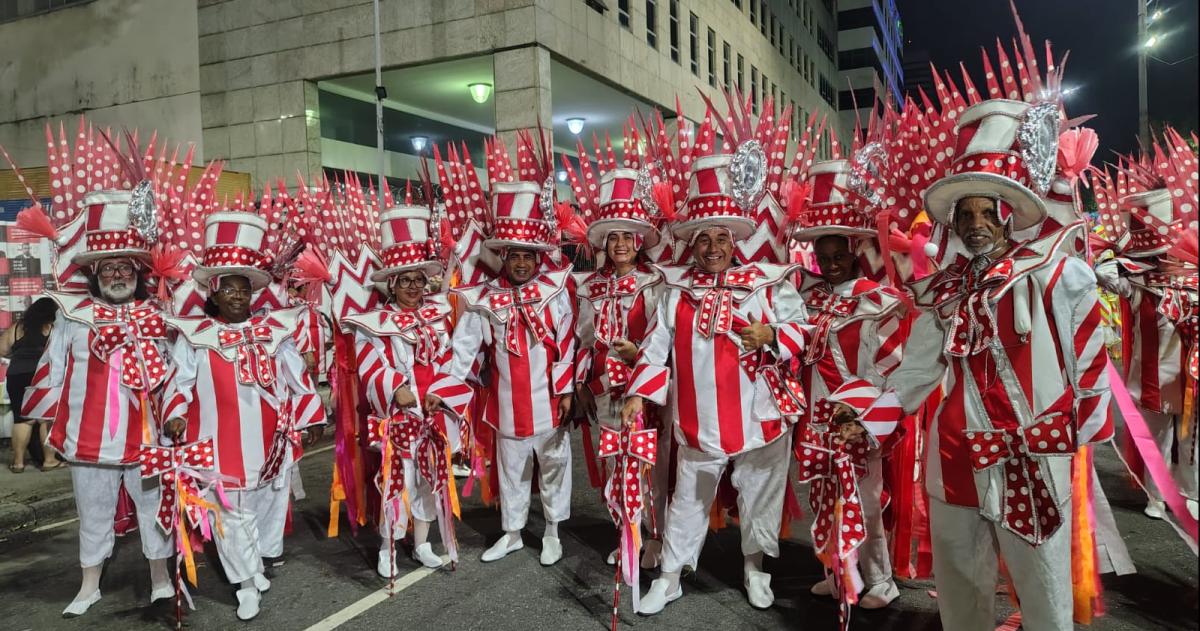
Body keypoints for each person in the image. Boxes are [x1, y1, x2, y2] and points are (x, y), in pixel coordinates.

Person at [886, 98, 1112, 631]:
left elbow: (1089, 357)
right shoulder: (942, 292)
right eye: (965, 214)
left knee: (1043, 582)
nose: (976, 224)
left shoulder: (1054, 274)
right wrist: (869, 419)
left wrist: (1079, 433)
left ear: (1009, 215)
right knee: (961, 582)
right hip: (955, 453)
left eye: (988, 212)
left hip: (1032, 452)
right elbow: (916, 370)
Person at [620, 153, 811, 614]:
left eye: (719, 237)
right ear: (692, 243)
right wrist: (637, 394)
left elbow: (804, 328)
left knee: (760, 498)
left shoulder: (767, 283)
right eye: (702, 238)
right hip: (697, 420)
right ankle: (669, 577)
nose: (710, 247)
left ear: (734, 239)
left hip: (761, 417)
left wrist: (773, 335)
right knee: (687, 500)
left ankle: (755, 570)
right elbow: (654, 344)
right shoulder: (675, 289)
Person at [161, 209, 326, 621]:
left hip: (272, 444)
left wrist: (310, 418)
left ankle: (259, 562)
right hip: (219, 447)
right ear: (213, 294)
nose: (237, 296)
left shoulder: (273, 331)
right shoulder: (195, 337)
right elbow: (176, 385)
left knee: (268, 510)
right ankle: (246, 583)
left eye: (243, 289)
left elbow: (297, 377)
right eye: (228, 290)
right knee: (232, 519)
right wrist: (175, 416)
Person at [21, 190, 176, 617]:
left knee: (153, 509)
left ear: (136, 271)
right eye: (107, 268)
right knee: (92, 512)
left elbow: (179, 371)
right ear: (95, 274)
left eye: (123, 266)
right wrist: (48, 428)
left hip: (148, 436)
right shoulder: (75, 316)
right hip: (89, 436)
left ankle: (161, 579)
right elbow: (52, 369)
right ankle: (88, 586)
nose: (116, 274)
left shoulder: (159, 316)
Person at [426, 176, 577, 567]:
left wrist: (565, 393)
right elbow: (464, 349)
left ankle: (553, 533)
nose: (522, 262)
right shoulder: (486, 300)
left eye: (528, 255)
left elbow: (567, 342)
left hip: (549, 407)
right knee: (512, 473)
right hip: (508, 408)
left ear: (537, 257)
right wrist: (443, 390)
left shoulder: (554, 291)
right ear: (505, 258)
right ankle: (511, 533)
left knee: (555, 470)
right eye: (515, 255)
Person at [790, 157, 909, 610]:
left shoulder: (876, 300)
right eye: (824, 258)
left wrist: (863, 413)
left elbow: (890, 365)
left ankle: (880, 579)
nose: (832, 264)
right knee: (824, 491)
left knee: (865, 497)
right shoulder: (809, 297)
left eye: (839, 256)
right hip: (816, 416)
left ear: (854, 253)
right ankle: (837, 572)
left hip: (858, 417)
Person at [342, 203, 458, 578]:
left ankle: (422, 542)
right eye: (404, 280)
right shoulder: (374, 323)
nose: (413, 287)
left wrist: (440, 391)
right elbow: (369, 366)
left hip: (434, 413)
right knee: (399, 480)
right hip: (399, 417)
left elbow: (449, 358)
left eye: (418, 280)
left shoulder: (438, 315)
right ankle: (389, 546)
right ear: (391, 283)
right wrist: (397, 389)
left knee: (430, 479)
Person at [570, 165, 667, 567]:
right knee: (615, 463)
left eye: (629, 236)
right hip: (606, 392)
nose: (622, 243)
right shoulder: (590, 286)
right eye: (615, 237)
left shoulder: (656, 281)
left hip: (646, 391)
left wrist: (637, 358)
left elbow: (666, 338)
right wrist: (580, 385)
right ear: (605, 243)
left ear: (639, 240)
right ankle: (627, 533)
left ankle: (656, 539)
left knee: (651, 467)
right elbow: (583, 339)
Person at [1, 296, 61, 472]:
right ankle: (49, 461)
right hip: (41, 375)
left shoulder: (18, 327)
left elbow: (2, 349)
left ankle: (18, 463)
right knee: (45, 418)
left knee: (22, 419)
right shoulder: (53, 326)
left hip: (16, 374)